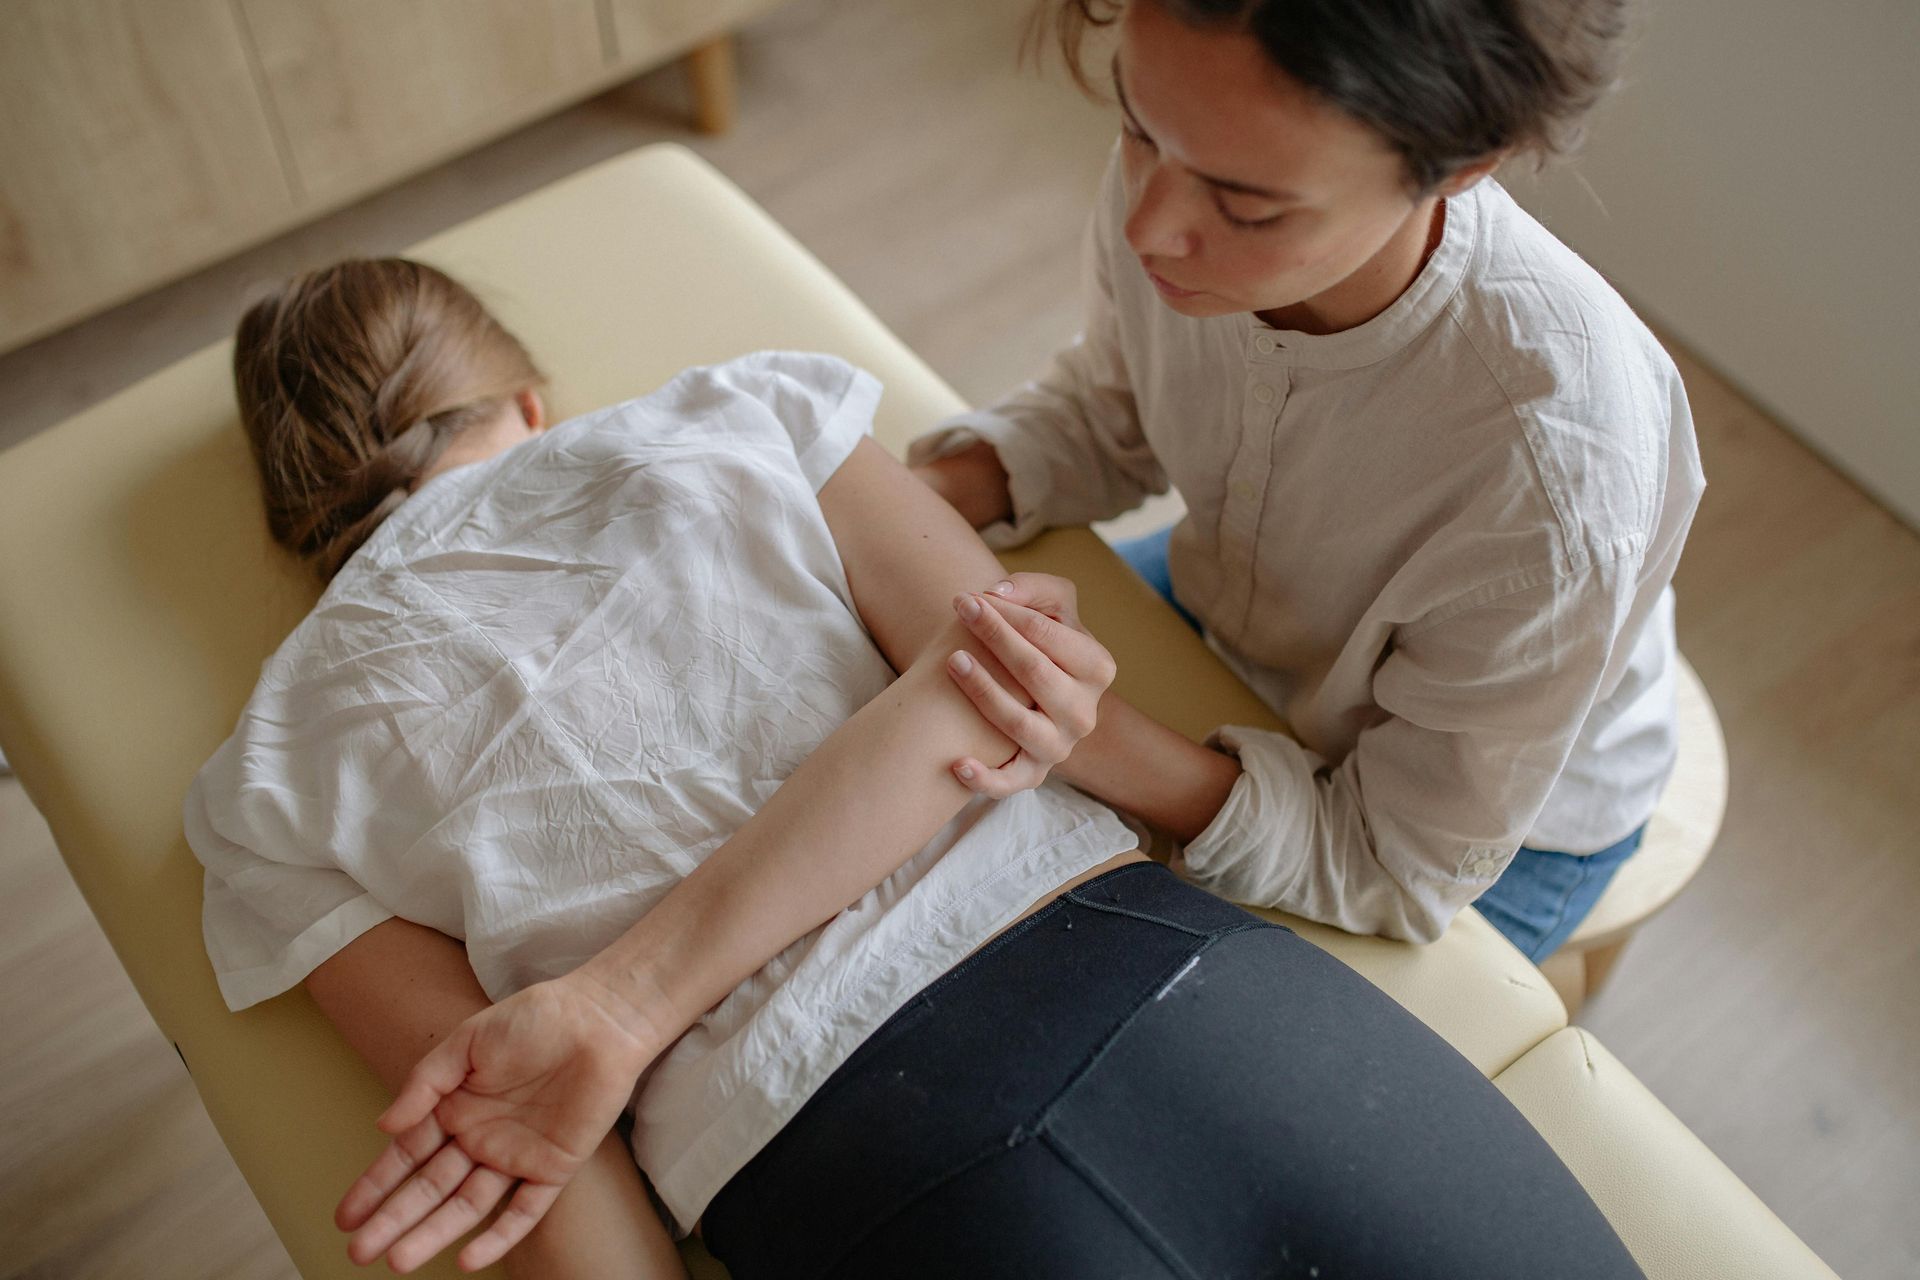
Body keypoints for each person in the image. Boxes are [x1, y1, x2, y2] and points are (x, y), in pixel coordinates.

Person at [186, 258, 1644, 1279]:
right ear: (529, 400)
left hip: (835, 1174)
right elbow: (997, 687)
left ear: (301, 515)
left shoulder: (257, 792)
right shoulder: (739, 413)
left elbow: (523, 1143)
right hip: (1156, 979)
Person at [911, 0, 1707, 961]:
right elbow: (1112, 411)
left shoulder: (1555, 482)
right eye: (1135, 124)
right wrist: (927, 492)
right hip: (1256, 610)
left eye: (1246, 206)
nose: (1151, 225)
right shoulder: (1195, 150)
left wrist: (1090, 739)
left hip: (1479, 832)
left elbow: (1390, 864)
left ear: (1461, 168)